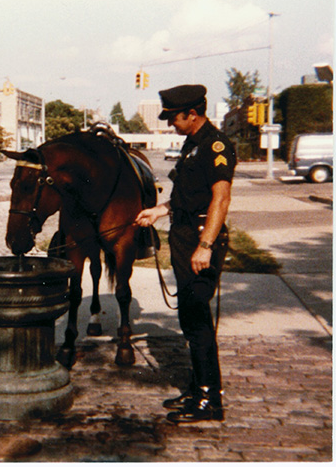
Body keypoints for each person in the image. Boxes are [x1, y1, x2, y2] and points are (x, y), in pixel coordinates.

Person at [135, 84, 236, 423]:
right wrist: (157, 211)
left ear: (192, 114)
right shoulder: (193, 145)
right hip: (183, 235)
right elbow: (184, 197)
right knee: (189, 318)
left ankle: (211, 399)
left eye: (173, 119)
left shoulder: (216, 146)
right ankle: (199, 388)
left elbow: (220, 199)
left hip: (199, 239)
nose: (170, 125)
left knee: (197, 319)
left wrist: (205, 245)